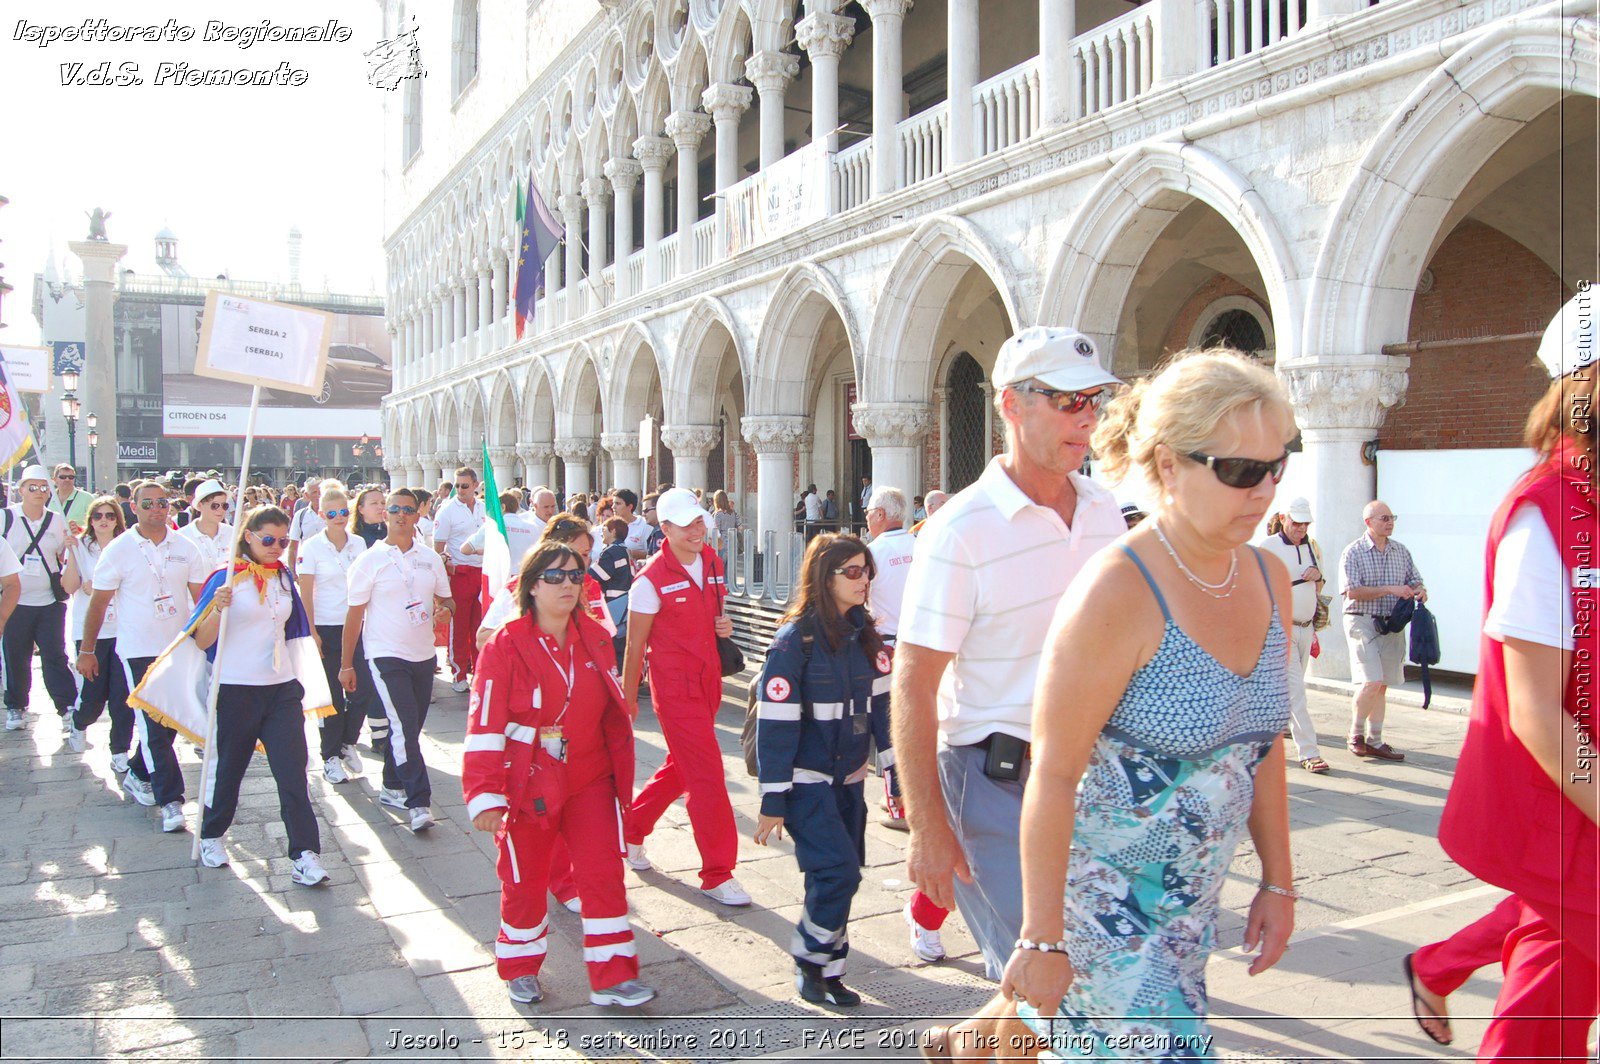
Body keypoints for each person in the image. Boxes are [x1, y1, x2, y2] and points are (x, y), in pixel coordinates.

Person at [1000, 349, 1297, 1061]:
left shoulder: (1270, 577)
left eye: (1277, 465)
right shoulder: (1118, 593)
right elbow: (1055, 773)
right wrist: (1042, 938)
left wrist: (1279, 882)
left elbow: (1264, 748)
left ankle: (982, 1039)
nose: (1263, 490)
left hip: (1193, 914)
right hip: (1105, 915)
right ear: (1169, 465)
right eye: (1239, 470)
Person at [893, 326, 1125, 1055]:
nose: (1087, 417)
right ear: (1012, 406)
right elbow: (913, 682)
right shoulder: (960, 530)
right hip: (996, 783)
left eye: (1094, 399)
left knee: (1053, 982)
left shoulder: (1104, 512)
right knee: (1052, 986)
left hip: (1092, 782)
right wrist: (929, 826)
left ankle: (962, 1045)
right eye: (1065, 400)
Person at [1422, 290, 1599, 1061]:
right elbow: (1536, 713)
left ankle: (1433, 966)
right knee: (1545, 1013)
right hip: (1570, 804)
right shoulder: (1544, 513)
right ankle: (1433, 967)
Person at [464, 541, 657, 1009]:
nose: (567, 584)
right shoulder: (505, 645)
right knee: (524, 878)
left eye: (575, 574)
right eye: (554, 577)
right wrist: (485, 795)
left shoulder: (594, 635)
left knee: (603, 873)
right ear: (531, 587)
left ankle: (612, 976)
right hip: (527, 781)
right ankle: (520, 967)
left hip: (590, 778)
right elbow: (484, 723)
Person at [754, 533, 896, 1007]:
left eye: (867, 570)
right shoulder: (796, 641)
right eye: (852, 571)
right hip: (805, 783)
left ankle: (829, 971)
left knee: (839, 873)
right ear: (825, 576)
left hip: (849, 782)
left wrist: (899, 779)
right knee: (839, 874)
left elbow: (886, 715)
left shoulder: (867, 634)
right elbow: (776, 728)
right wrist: (773, 801)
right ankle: (809, 956)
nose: (864, 580)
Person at [187, 506, 330, 886]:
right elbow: (201, 641)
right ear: (248, 535)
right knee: (229, 769)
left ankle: (304, 854)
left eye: (283, 541)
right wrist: (218, 608)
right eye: (268, 539)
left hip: (281, 690)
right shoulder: (225, 578)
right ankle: (213, 834)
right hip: (235, 689)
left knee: (292, 772)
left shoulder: (284, 578)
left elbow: (294, 627)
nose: (276, 547)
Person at [621, 487, 748, 905]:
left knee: (682, 767)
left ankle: (631, 830)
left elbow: (713, 612)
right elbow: (635, 646)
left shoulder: (712, 561)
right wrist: (626, 698)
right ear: (666, 528)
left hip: (710, 680)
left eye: (699, 521)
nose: (696, 530)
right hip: (675, 690)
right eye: (686, 524)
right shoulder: (650, 580)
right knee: (708, 776)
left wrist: (722, 627)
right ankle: (718, 872)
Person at [80, 480, 210, 831]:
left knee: (170, 721)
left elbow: (201, 598)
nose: (156, 508)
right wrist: (87, 650)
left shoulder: (185, 546)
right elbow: (99, 603)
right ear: (133, 508)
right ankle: (171, 800)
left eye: (162, 502)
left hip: (179, 647)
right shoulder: (119, 550)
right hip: (138, 649)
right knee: (153, 724)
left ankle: (138, 772)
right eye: (148, 502)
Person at [342, 487, 454, 833]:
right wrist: (347, 664)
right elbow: (354, 615)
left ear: (417, 515)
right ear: (385, 515)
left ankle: (391, 785)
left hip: (422, 655)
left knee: (408, 727)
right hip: (384, 654)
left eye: (407, 510)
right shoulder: (369, 560)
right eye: (394, 510)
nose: (400, 515)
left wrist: (444, 612)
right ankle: (418, 801)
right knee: (404, 727)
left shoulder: (429, 558)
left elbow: (447, 601)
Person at [296, 483, 372, 785]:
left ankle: (347, 741)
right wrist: (310, 631)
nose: (338, 517)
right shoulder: (312, 546)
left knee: (364, 689)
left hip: (356, 625)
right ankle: (329, 756)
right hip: (326, 626)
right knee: (331, 696)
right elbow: (306, 593)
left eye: (343, 512)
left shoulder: (358, 544)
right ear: (321, 514)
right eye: (332, 513)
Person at [1339, 499, 1426, 762]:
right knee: (1371, 680)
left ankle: (1375, 740)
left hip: (1392, 623)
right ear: (1368, 522)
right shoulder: (1353, 552)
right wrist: (1390, 588)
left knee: (1382, 685)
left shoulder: (1401, 551)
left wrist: (1421, 591)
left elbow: (1416, 580)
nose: (1389, 523)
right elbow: (1351, 591)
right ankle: (1355, 735)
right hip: (1361, 620)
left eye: (1391, 518)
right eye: (1384, 518)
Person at [3, 464, 78, 734]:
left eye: (44, 487)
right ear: (21, 489)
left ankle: (67, 707)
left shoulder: (56, 520)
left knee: (55, 654)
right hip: (15, 600)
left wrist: (72, 542)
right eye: (32, 487)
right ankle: (16, 705)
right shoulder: (6, 518)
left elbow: (62, 555)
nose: (38, 492)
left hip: (49, 600)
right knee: (16, 655)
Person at [1254, 498, 1327, 773]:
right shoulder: (1268, 547)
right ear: (1284, 519)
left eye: (1305, 523)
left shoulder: (1312, 545)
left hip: (1306, 627)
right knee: (1297, 692)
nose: (1301, 528)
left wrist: (1317, 574)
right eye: (1297, 522)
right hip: (1281, 628)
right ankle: (1309, 752)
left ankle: (1270, 727)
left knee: (1291, 690)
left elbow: (1321, 584)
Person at [61, 497, 129, 757]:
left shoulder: (126, 546)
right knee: (94, 696)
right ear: (90, 520)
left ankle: (119, 751)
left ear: (117, 520)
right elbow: (68, 587)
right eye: (98, 516)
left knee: (122, 696)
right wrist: (71, 555)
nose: (104, 520)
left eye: (110, 516)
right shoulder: (81, 547)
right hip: (91, 631)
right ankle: (79, 724)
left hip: (123, 629)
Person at [433, 467, 486, 692]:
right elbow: (438, 547)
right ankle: (459, 672)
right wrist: (445, 569)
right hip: (460, 573)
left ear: (475, 485)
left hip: (482, 572)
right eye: (457, 486)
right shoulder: (447, 510)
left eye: (464, 486)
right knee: (459, 624)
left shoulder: (485, 508)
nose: (460, 490)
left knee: (480, 624)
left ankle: (480, 670)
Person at [177, 479, 234, 576]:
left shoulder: (233, 533)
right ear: (200, 505)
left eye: (224, 506)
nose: (220, 510)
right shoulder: (181, 536)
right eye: (215, 505)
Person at [285, 479, 326, 570]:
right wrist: (292, 570)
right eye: (314, 492)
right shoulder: (300, 515)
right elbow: (293, 545)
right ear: (307, 495)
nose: (318, 495)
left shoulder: (334, 514)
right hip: (308, 565)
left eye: (321, 492)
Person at [48, 463, 93, 531]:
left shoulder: (87, 498)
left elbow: (95, 525)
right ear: (54, 479)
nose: (67, 480)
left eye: (71, 477)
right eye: (62, 477)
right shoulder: (47, 498)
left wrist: (80, 529)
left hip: (77, 540)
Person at [612, 489, 651, 560]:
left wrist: (632, 553)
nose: (613, 507)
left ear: (630, 506)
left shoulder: (644, 525)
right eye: (613, 503)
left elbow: (652, 554)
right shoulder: (611, 525)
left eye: (618, 503)